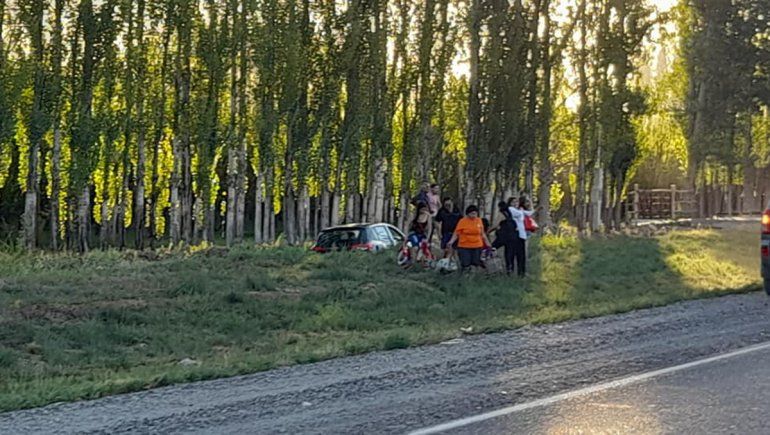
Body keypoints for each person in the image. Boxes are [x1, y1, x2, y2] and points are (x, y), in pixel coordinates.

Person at [447, 205, 492, 273]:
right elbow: (456, 233)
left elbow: (482, 234)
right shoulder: (462, 221)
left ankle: (473, 277)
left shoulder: (479, 221)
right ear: (468, 213)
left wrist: (488, 244)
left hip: (477, 245)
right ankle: (465, 276)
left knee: (476, 263)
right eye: (472, 213)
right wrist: (451, 241)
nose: (474, 215)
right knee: (465, 263)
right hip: (464, 246)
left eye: (475, 213)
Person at [508, 195, 540, 277]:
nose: (515, 203)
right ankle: (512, 271)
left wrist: (536, 209)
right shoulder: (511, 209)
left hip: (522, 235)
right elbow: (519, 214)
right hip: (516, 235)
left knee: (522, 255)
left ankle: (521, 272)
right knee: (515, 254)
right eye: (513, 202)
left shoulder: (519, 210)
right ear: (510, 203)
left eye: (516, 202)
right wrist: (521, 210)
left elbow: (529, 213)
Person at [488, 201, 517, 274]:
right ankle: (510, 269)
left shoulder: (501, 214)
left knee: (491, 248)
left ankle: (488, 265)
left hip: (503, 237)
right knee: (509, 254)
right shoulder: (510, 215)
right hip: (512, 237)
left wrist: (488, 232)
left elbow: (495, 225)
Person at [405, 202, 432, 267]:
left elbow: (429, 228)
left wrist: (428, 238)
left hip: (422, 234)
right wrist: (406, 235)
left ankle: (422, 262)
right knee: (416, 247)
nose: (424, 211)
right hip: (413, 233)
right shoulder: (413, 215)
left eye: (425, 209)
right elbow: (407, 225)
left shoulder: (428, 216)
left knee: (423, 247)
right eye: (422, 209)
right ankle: (412, 262)